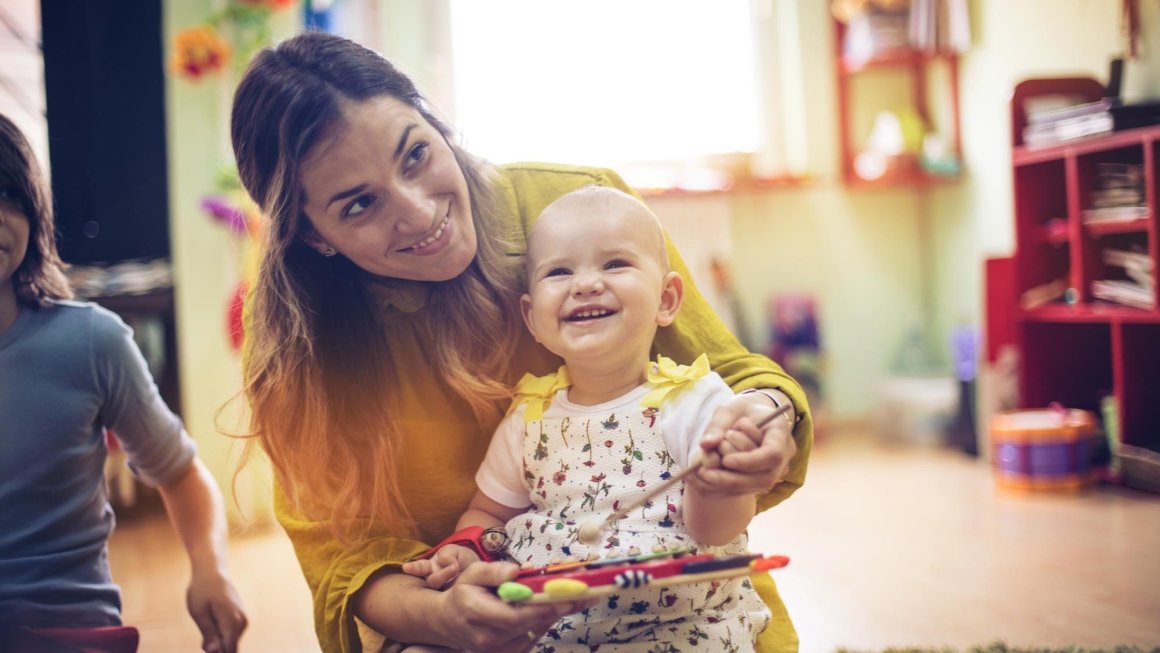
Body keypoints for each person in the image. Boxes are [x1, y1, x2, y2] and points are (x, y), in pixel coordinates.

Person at [230, 30, 812, 653]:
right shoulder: (301, 353)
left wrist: (763, 426)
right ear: (315, 237)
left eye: (416, 155)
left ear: (436, 125)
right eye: (358, 205)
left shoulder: (580, 205)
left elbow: (737, 381)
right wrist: (440, 612)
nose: (420, 212)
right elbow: (343, 556)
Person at [402, 186, 777, 652]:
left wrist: (719, 484)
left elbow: (717, 531)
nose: (585, 284)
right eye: (559, 271)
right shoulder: (529, 414)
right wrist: (468, 547)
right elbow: (490, 512)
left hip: (676, 622)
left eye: (614, 264)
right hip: (547, 623)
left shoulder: (695, 402)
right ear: (532, 318)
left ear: (666, 299)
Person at [0, 113, 248, 653]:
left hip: (71, 635)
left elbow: (180, 474)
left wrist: (211, 570)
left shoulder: (90, 342)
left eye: (8, 196)